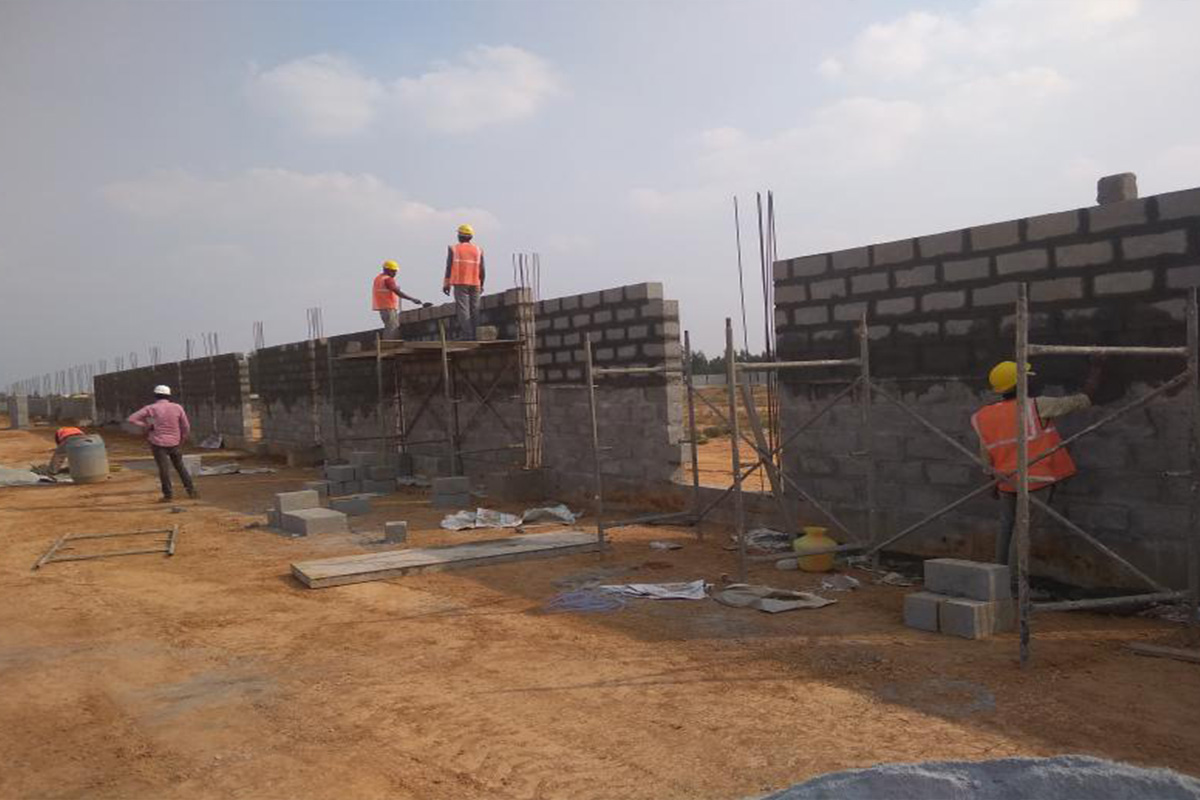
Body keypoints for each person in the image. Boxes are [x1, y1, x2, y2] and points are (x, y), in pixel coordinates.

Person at [971, 357, 1102, 566]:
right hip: (1035, 481)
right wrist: (1097, 369)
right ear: (1019, 383)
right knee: (1023, 533)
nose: (1031, 381)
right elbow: (1082, 400)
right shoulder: (1035, 406)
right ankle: (1014, 582)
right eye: (1027, 377)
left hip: (1005, 481)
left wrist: (992, 482)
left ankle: (999, 576)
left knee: (1006, 527)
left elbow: (986, 454)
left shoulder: (984, 415)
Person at [127, 384, 198, 502]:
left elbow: (131, 419)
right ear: (169, 396)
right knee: (180, 467)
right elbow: (186, 426)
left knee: (164, 470)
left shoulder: (151, 408)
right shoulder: (178, 407)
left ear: (155, 395)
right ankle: (191, 491)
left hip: (158, 443)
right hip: (175, 442)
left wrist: (147, 425)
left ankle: (168, 495)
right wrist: (182, 440)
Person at [442, 223, 485, 340]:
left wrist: (446, 284)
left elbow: (449, 267)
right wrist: (481, 284)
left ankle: (468, 335)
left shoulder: (454, 249)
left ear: (460, 236)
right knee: (475, 309)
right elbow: (482, 269)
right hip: (476, 282)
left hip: (460, 282)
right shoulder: (478, 250)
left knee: (463, 309)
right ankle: (477, 335)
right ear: (471, 236)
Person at [373, 260, 426, 339]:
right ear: (387, 270)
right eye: (393, 271)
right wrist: (412, 299)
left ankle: (387, 342)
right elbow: (397, 292)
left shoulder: (378, 278)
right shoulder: (388, 279)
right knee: (392, 327)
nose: (395, 273)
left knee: (388, 326)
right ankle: (390, 343)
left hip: (382, 307)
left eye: (395, 271)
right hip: (389, 306)